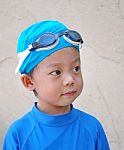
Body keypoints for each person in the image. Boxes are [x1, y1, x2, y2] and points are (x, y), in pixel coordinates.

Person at [2, 20, 110, 150]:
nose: (70, 80)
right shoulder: (19, 134)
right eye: (56, 72)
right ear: (29, 82)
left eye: (76, 68)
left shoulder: (93, 128)